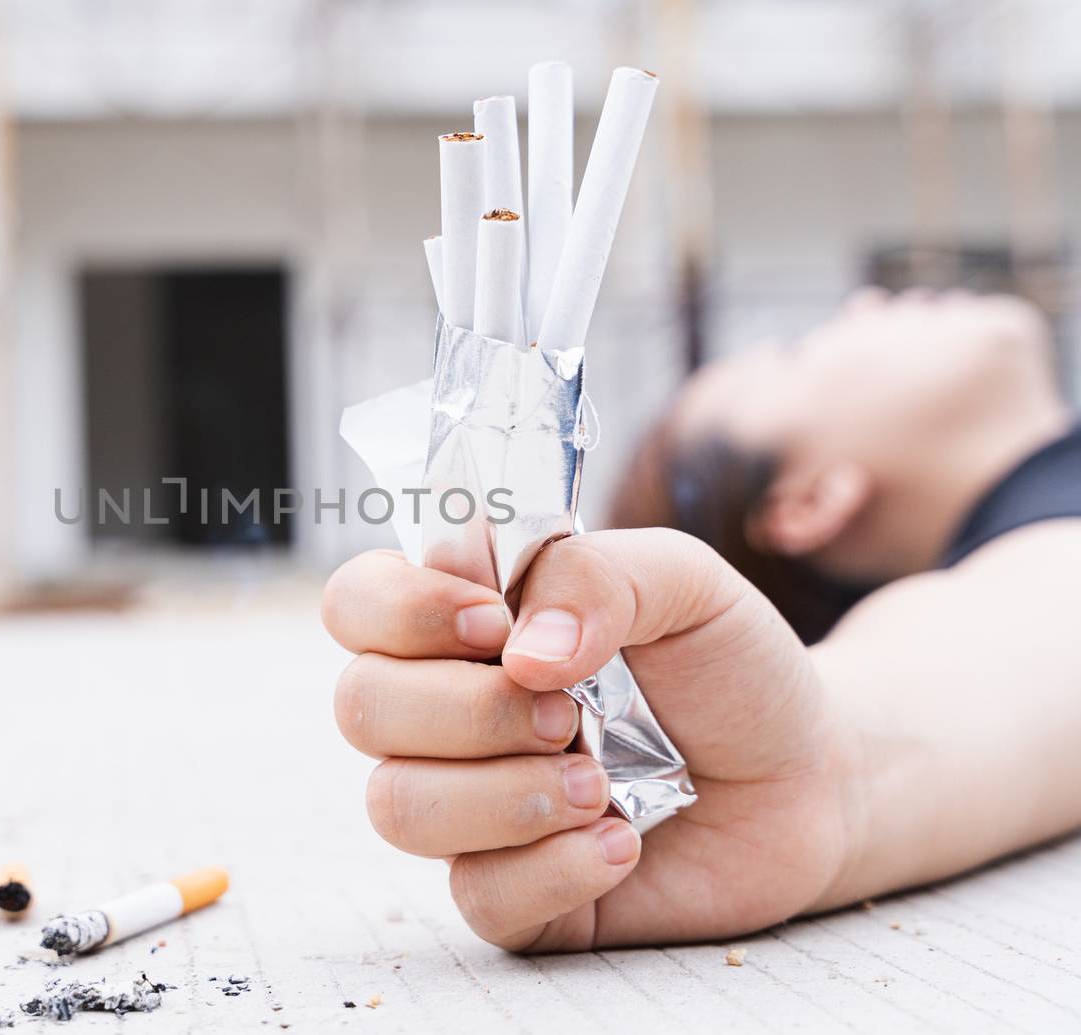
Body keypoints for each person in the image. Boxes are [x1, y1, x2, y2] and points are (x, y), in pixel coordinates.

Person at [320, 288, 1081, 952]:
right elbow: (1029, 639)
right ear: (807, 502)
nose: (866, 302)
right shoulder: (1040, 547)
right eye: (796, 352)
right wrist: (829, 773)